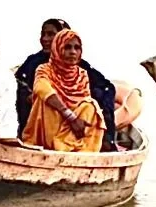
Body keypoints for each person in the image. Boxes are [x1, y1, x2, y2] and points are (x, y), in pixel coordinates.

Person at [14, 18, 117, 150]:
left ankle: (83, 148)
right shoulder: (40, 66)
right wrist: (69, 115)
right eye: (67, 47)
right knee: (45, 99)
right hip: (49, 126)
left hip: (73, 127)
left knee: (91, 106)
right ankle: (57, 146)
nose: (45, 39)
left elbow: (102, 90)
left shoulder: (81, 72)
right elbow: (40, 88)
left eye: (50, 34)